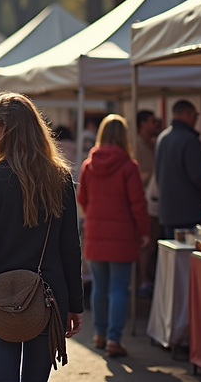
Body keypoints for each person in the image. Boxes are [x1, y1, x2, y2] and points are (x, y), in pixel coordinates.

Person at [0, 92, 83, 380]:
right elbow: (71, 247)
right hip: (48, 299)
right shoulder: (60, 178)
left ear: (9, 130)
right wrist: (74, 304)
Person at [76, 115, 150, 358]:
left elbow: (82, 199)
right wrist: (144, 231)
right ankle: (114, 339)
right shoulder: (129, 166)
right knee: (119, 288)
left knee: (100, 286)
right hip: (122, 234)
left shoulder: (88, 165)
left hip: (95, 234)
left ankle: (99, 334)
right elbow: (138, 204)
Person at [154, 100, 201, 239]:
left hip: (167, 212)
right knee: (189, 257)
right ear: (187, 114)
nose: (196, 120)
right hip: (189, 212)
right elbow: (198, 175)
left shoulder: (162, 138)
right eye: (195, 116)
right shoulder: (190, 139)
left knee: (172, 257)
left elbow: (157, 174)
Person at [134, 110, 161, 298]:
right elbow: (138, 176)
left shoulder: (151, 144)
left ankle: (146, 280)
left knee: (150, 245)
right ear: (143, 124)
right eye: (153, 121)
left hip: (151, 202)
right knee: (146, 244)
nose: (156, 125)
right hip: (145, 202)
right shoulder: (138, 145)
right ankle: (143, 281)